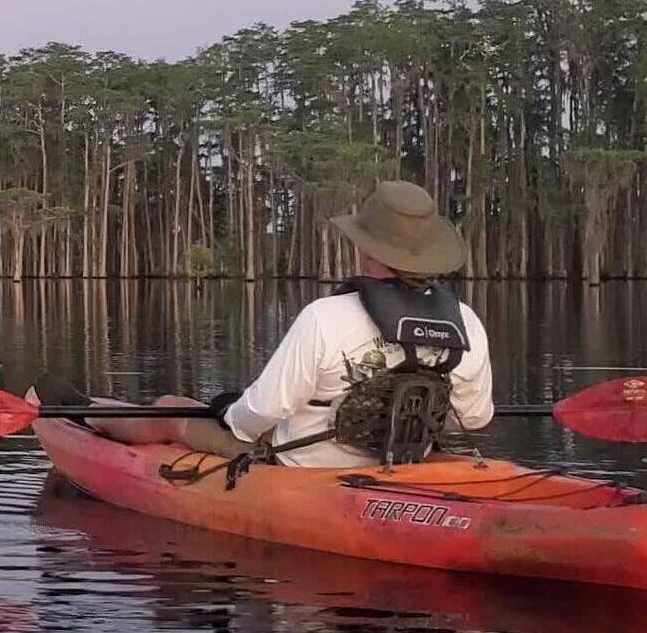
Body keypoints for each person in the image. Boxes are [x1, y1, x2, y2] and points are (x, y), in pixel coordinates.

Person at [92, 180, 493, 468]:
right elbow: (472, 419)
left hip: (306, 462)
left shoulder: (325, 317)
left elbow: (256, 417)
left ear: (367, 245)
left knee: (173, 408)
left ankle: (86, 421)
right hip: (407, 460)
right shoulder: (466, 323)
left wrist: (227, 411)